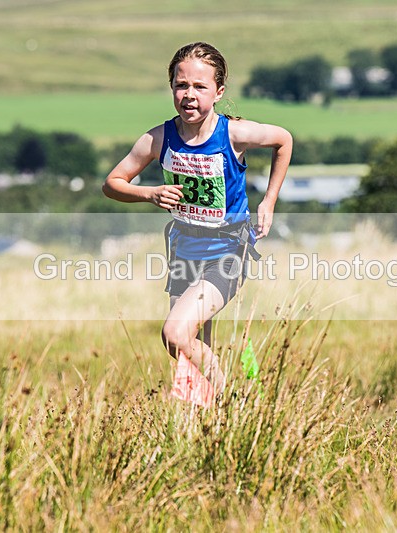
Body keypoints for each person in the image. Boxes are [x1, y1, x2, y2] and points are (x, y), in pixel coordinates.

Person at [103, 42, 292, 403]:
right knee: (188, 348)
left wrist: (269, 201)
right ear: (172, 87)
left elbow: (283, 139)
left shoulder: (233, 134)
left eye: (200, 87)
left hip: (227, 252)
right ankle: (205, 425)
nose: (189, 95)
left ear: (219, 92)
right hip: (183, 251)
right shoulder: (158, 138)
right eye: (181, 85)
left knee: (175, 334)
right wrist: (150, 194)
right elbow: (112, 183)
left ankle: (235, 400)